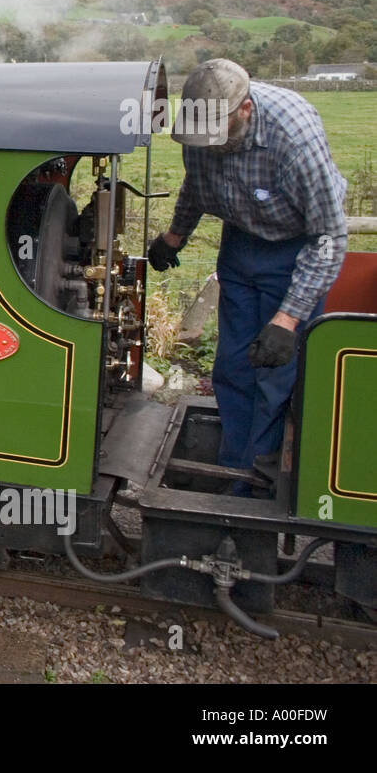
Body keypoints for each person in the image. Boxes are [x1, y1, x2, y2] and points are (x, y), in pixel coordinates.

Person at [148, 58, 348, 495]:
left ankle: (261, 484)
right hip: (240, 245)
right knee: (234, 366)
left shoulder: (294, 140)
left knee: (276, 375)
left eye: (221, 135)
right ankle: (232, 469)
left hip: (294, 251)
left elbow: (329, 237)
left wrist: (288, 320)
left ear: (245, 110)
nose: (211, 144)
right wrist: (176, 236)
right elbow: (196, 185)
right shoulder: (201, 128)